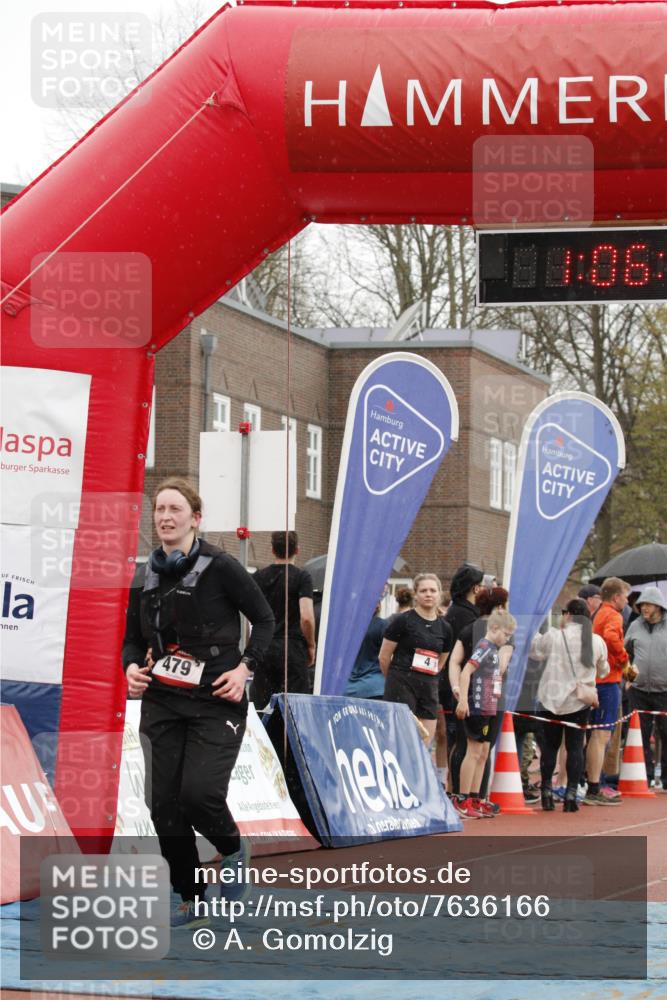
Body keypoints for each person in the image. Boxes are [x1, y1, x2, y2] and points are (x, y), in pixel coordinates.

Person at [122, 478, 274, 928]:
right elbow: (132, 640)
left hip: (216, 700)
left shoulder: (221, 567)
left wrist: (245, 668)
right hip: (163, 702)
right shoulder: (143, 575)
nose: (166, 517)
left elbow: (264, 619)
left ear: (195, 518)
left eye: (175, 509)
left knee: (199, 795)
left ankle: (232, 849)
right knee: (163, 806)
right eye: (160, 509)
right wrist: (130, 667)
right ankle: (190, 896)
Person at [530, 599, 609, 812]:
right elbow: (604, 671)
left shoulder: (554, 636)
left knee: (550, 747)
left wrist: (533, 630)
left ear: (568, 615)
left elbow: (535, 652)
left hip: (551, 699)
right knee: (575, 747)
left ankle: (546, 792)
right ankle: (571, 794)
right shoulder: (596, 641)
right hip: (579, 702)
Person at [448, 586, 511, 811]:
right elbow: (471, 668)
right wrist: (463, 696)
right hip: (479, 701)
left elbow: (455, 662)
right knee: (474, 751)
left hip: (485, 700)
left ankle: (474, 798)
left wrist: (456, 688)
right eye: (507, 635)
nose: (508, 638)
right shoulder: (487, 644)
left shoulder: (472, 632)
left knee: (479, 751)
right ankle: (463, 798)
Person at [380, 573, 453, 746]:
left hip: (428, 688)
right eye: (423, 591)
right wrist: (394, 679)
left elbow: (441, 661)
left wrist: (429, 677)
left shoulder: (445, 628)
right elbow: (384, 656)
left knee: (424, 743)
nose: (428, 594)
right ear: (416, 594)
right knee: (401, 742)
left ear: (439, 594)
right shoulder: (402, 621)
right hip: (401, 684)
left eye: (433, 590)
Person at [249, 530, 315, 709]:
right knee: (295, 708)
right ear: (297, 550)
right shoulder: (302, 577)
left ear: (272, 550)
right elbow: (306, 617)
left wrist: (252, 646)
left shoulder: (258, 577)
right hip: (292, 648)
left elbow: (251, 617)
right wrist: (311, 645)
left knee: (261, 706)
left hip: (264, 647)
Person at [584, 576, 631, 806]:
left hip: (597, 679)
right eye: (625, 597)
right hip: (608, 680)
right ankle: (595, 786)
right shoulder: (613, 615)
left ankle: (595, 782)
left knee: (596, 733)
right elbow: (612, 637)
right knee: (602, 734)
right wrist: (624, 660)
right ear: (616, 597)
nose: (627, 601)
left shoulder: (598, 613)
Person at [441, 564, 484, 795]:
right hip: (461, 686)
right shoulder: (468, 617)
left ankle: (455, 790)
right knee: (462, 741)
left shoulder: (455, 611)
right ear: (475, 588)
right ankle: (458, 791)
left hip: (454, 683)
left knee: (457, 739)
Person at [625, 586, 667, 789]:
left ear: (658, 606)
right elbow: (626, 655)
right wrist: (629, 678)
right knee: (639, 735)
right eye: (641, 605)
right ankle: (645, 776)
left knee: (666, 734)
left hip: (664, 690)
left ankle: (666, 778)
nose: (643, 608)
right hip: (639, 690)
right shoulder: (634, 626)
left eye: (648, 605)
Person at [345, 602, 386, 700]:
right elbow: (386, 658)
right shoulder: (382, 625)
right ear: (377, 605)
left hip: (348, 689)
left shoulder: (347, 626)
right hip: (375, 688)